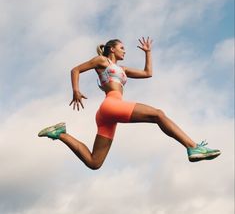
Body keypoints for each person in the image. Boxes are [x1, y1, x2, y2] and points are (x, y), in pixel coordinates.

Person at [38, 37, 221, 170]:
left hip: (107, 115)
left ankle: (60, 134)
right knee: (158, 114)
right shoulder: (102, 61)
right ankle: (192, 147)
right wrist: (76, 90)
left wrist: (148, 53)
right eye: (122, 48)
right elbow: (76, 69)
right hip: (111, 104)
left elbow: (148, 73)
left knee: (94, 163)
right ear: (112, 49)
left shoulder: (122, 69)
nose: (124, 51)